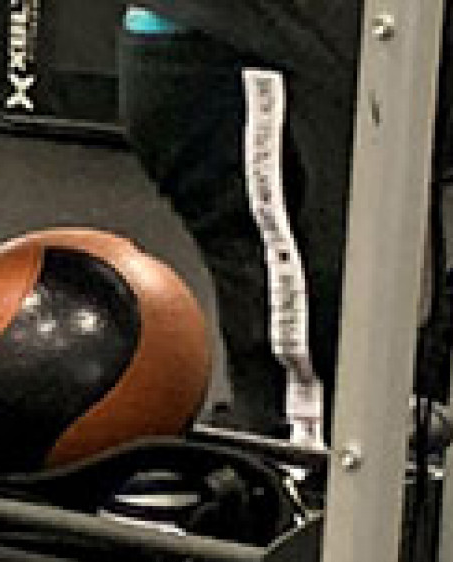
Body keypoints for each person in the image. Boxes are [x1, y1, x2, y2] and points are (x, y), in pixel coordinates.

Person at [115, 1, 360, 446]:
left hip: (237, 45)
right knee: (292, 284)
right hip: (228, 56)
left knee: (294, 274)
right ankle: (297, 460)